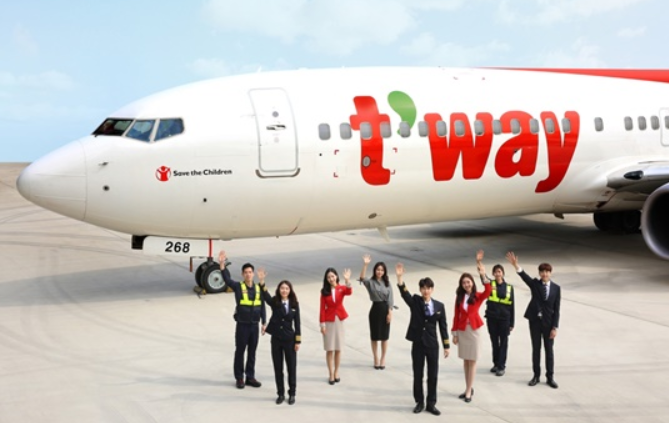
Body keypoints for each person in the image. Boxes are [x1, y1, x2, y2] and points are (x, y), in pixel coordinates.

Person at [395, 263, 449, 416]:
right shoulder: (416, 302)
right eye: (423, 288)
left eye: (428, 288)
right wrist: (400, 278)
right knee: (418, 374)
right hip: (418, 343)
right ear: (420, 290)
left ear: (432, 289)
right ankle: (419, 402)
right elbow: (405, 294)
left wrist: (446, 346)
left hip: (432, 345)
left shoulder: (439, 306)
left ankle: (431, 403)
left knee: (433, 375)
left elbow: (443, 327)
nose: (426, 291)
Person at [506, 251, 561, 389]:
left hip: (548, 324)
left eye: (547, 272)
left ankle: (550, 377)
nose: (544, 274)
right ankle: (536, 376)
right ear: (539, 273)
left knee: (549, 351)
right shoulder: (535, 284)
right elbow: (525, 277)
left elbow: (557, 310)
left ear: (550, 273)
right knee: (536, 349)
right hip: (535, 322)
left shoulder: (556, 289)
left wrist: (555, 327)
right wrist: (516, 265)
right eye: (542, 272)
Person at [219, 250, 266, 389]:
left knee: (252, 352)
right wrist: (222, 265)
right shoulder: (238, 287)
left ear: (253, 274)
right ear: (242, 274)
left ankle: (250, 377)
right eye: (245, 272)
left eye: (250, 272)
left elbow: (262, 306)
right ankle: (239, 378)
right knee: (240, 351)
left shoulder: (258, 288)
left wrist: (264, 322)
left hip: (254, 325)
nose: (248, 274)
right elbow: (227, 280)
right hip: (242, 325)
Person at [257, 270, 301, 405]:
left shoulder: (294, 304)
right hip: (276, 339)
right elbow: (265, 296)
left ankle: (292, 393)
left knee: (291, 368)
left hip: (289, 340)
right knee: (278, 368)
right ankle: (280, 393)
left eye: (287, 288)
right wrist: (262, 281)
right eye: (282, 288)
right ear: (279, 290)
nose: (284, 290)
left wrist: (297, 341)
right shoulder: (275, 302)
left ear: (290, 290)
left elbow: (297, 323)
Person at [451, 260, 491, 403]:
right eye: (464, 283)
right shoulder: (459, 298)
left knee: (472, 361)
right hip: (463, 331)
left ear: (472, 283)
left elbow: (489, 291)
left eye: (468, 282)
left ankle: (469, 390)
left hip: (474, 331)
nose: (466, 284)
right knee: (465, 361)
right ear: (461, 285)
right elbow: (456, 316)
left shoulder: (478, 296)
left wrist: (483, 275)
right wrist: (454, 334)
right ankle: (467, 387)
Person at [478, 250, 515, 377]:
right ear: (493, 274)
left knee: (503, 342)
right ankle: (496, 363)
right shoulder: (490, 284)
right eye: (495, 272)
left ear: (503, 273)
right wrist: (479, 262)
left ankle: (501, 366)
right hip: (492, 318)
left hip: (504, 319)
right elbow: (483, 277)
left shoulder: (509, 287)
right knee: (494, 341)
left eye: (499, 271)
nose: (498, 273)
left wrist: (512, 323)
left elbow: (512, 306)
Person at [359, 254, 394, 369]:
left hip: (385, 309)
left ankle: (383, 358)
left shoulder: (387, 283)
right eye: (378, 270)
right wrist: (365, 265)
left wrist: (390, 313)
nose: (380, 272)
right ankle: (375, 357)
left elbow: (390, 299)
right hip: (375, 309)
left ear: (384, 272)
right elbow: (362, 278)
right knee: (374, 336)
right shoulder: (371, 282)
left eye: (382, 270)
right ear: (375, 271)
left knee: (384, 336)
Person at [319, 267, 352, 385]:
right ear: (326, 279)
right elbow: (322, 309)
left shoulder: (341, 288)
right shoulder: (324, 292)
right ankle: (331, 373)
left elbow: (349, 292)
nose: (331, 279)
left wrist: (347, 280)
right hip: (328, 321)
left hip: (339, 320)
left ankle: (336, 372)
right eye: (328, 277)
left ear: (336, 276)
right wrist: (322, 324)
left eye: (332, 276)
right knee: (329, 349)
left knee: (338, 348)